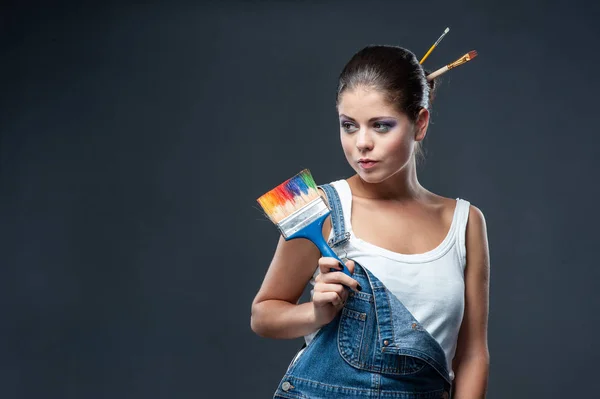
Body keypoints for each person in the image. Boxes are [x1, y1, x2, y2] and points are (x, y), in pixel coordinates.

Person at [251, 45, 490, 398]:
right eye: (349, 126)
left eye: (380, 126)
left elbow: (472, 355)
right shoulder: (319, 207)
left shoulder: (466, 223)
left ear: (419, 123)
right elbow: (263, 315)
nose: (362, 143)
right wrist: (314, 314)